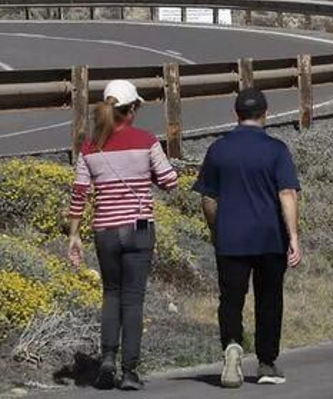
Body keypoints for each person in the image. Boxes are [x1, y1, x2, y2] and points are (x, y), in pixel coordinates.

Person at [67, 78, 179, 391]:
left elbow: (79, 193)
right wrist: (149, 177)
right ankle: (129, 371)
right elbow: (170, 182)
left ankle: (107, 359)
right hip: (139, 227)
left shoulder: (90, 147)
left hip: (105, 229)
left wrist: (74, 234)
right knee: (133, 299)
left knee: (111, 294)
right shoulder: (146, 141)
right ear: (131, 110)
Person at [195, 87, 302, 389]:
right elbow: (287, 193)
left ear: (236, 114)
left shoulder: (218, 149)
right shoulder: (276, 149)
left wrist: (216, 229)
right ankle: (266, 362)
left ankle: (232, 344)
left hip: (231, 237)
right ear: (265, 113)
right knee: (269, 299)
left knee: (231, 298)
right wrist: (294, 236)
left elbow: (208, 198)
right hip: (270, 238)